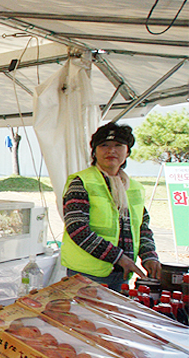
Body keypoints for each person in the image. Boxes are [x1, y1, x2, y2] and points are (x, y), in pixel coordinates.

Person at [61, 122, 161, 292]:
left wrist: (149, 256)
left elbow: (142, 228)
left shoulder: (134, 187)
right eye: (104, 145)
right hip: (87, 274)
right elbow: (77, 227)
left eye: (118, 146)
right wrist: (118, 257)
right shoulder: (82, 182)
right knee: (86, 318)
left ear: (127, 152)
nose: (111, 151)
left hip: (121, 274)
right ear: (95, 152)